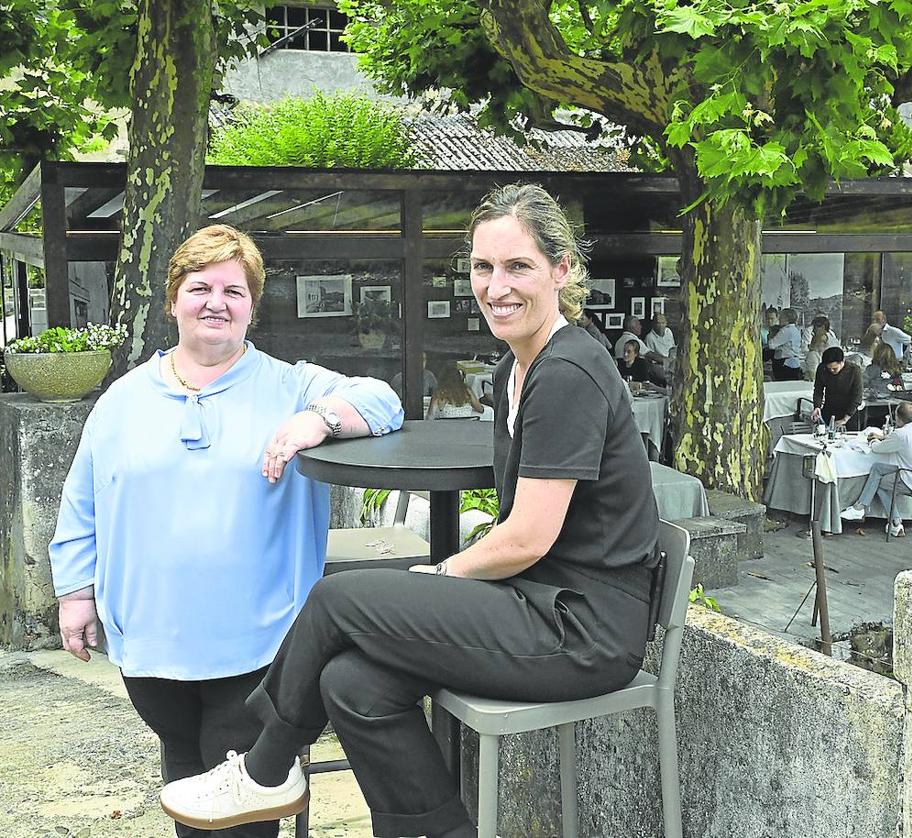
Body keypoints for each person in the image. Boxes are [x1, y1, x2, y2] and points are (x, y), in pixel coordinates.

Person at [158, 185, 660, 838]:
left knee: (338, 601)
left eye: (518, 267)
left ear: (561, 271)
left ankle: (265, 767)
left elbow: (529, 536)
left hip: (580, 629)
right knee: (352, 683)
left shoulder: (568, 371)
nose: (495, 286)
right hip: (541, 604)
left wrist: (443, 575)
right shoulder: (521, 366)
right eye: (483, 267)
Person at [48, 225, 404, 838]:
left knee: (242, 808)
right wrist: (76, 593)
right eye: (200, 286)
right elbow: (82, 503)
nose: (217, 301)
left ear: (251, 307)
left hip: (258, 651)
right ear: (173, 300)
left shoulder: (292, 386)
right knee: (186, 784)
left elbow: (383, 402)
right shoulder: (122, 400)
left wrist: (316, 421)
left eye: (234, 291)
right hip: (153, 646)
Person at [839, 402, 912, 537]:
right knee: (877, 468)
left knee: (879, 483)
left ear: (898, 418)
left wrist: (873, 440)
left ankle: (894, 521)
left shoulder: (901, 435)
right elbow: (903, 441)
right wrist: (883, 437)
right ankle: (860, 507)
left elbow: (878, 449)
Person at [810, 346, 862, 429]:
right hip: (829, 409)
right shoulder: (822, 368)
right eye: (829, 368)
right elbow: (818, 390)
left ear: (842, 362)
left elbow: (857, 397)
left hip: (849, 412)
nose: (832, 371)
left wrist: (845, 419)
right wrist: (817, 406)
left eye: (835, 368)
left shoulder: (854, 370)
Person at [768, 307, 805, 381]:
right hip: (794, 362)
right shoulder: (795, 330)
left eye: (781, 317)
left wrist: (770, 337)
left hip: (785, 364)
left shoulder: (785, 331)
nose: (779, 319)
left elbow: (771, 345)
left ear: (787, 319)